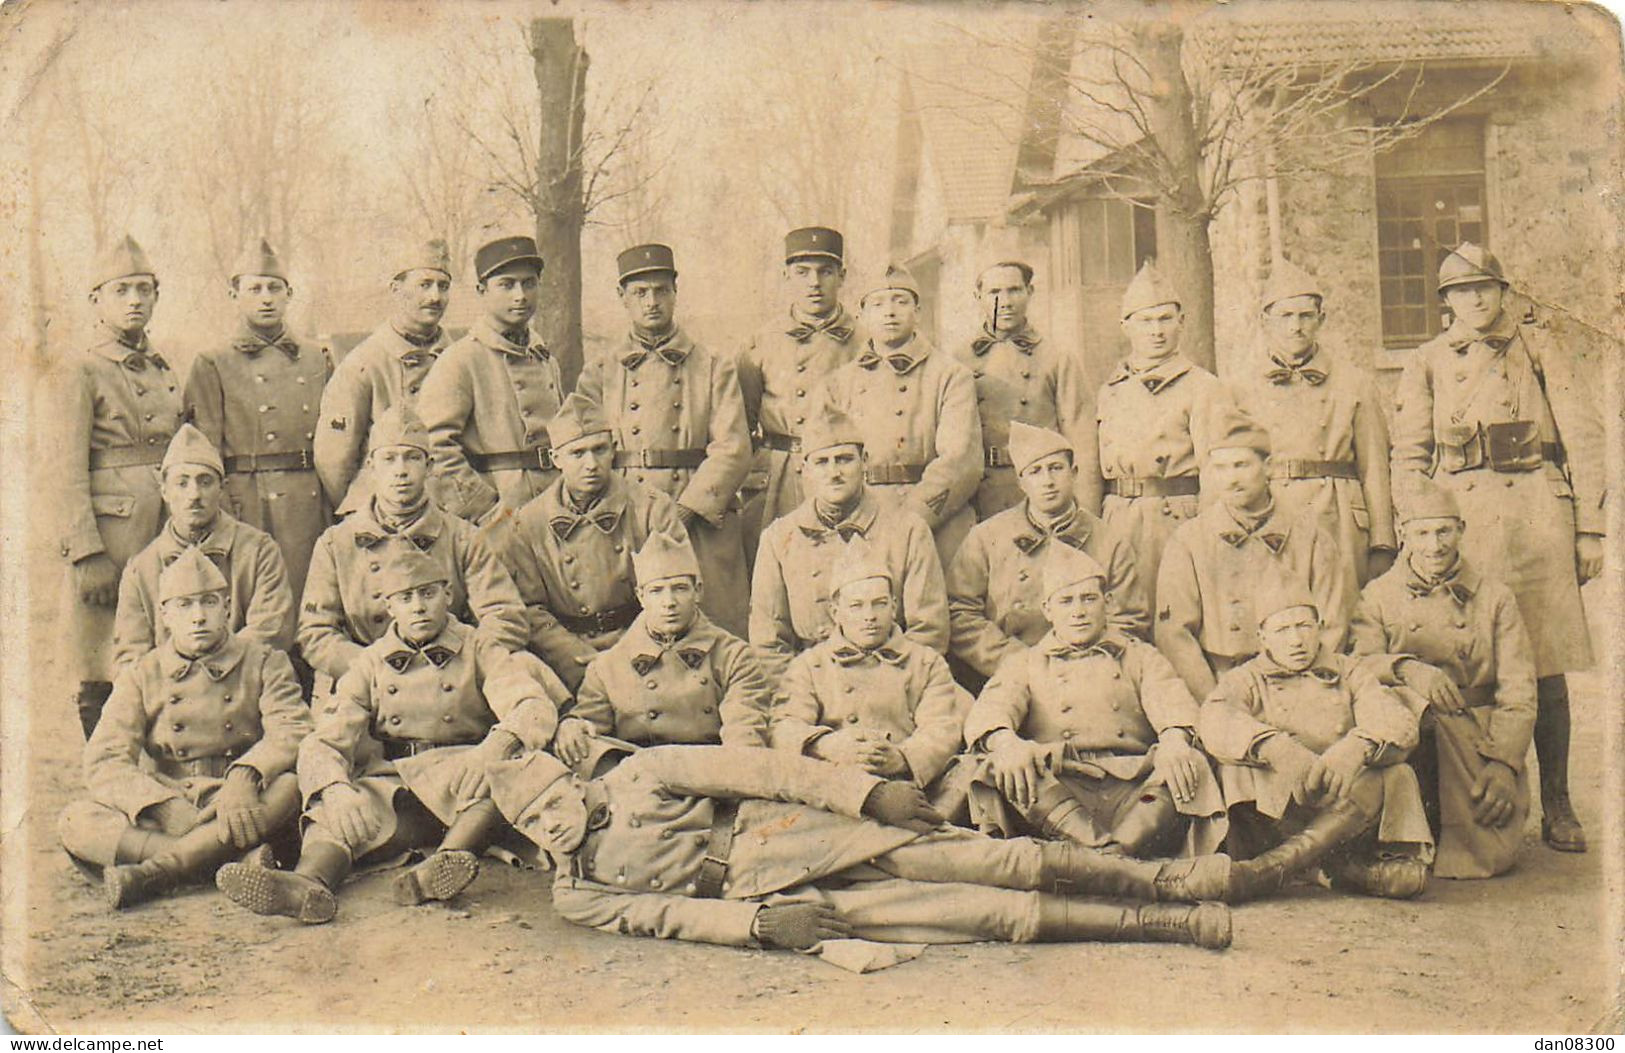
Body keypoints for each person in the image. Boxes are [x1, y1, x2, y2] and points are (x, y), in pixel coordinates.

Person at [489, 746, 1236, 951]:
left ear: (569, 780)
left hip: (809, 833)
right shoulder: (573, 888)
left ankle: (1163, 880)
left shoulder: (641, 773)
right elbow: (658, 917)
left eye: (549, 801)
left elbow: (765, 769)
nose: (547, 823)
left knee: (990, 858)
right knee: (975, 913)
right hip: (789, 899)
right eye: (529, 822)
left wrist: (862, 795)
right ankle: (1157, 926)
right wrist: (749, 926)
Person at [216, 546, 566, 924]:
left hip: (464, 775)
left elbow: (531, 705)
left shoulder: (479, 645)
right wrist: (334, 789)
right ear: (389, 607)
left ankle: (439, 867)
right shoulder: (370, 661)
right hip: (397, 782)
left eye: (428, 594)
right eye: (405, 598)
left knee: (503, 778)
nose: (418, 607)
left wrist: (492, 750)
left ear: (448, 596)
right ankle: (306, 884)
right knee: (331, 814)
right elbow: (324, 738)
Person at [1390, 243, 1604, 853]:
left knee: (1545, 661)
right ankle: (1471, 799)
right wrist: (1415, 525)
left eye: (1486, 288)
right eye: (1462, 291)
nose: (1476, 300)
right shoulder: (1428, 361)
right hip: (1464, 520)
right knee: (1465, 660)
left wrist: (1589, 529)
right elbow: (1408, 456)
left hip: (1536, 516)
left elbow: (1584, 438)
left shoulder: (1539, 349)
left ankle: (1558, 803)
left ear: (1504, 293)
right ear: (1446, 302)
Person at [60, 548, 311, 910]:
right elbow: (105, 759)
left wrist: (245, 777)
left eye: (209, 603)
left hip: (240, 803)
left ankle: (156, 872)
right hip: (172, 798)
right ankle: (231, 862)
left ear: (227, 607)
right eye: (184, 605)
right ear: (164, 614)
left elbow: (292, 728)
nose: (198, 617)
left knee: (288, 787)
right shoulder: (142, 674)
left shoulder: (264, 661)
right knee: (76, 820)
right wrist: (161, 806)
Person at [963, 544, 1223, 858]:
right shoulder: (1026, 663)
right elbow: (991, 710)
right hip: (1059, 789)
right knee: (996, 765)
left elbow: (1173, 702)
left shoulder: (1138, 655)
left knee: (1189, 759)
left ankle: (1112, 855)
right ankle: (1109, 856)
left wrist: (1173, 739)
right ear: (1047, 610)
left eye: (1089, 599)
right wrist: (1005, 743)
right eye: (1066, 601)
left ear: (1108, 602)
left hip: (1132, 788)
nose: (1078, 612)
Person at [1349, 479, 1537, 879]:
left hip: (1475, 738)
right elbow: (1357, 665)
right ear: (1403, 535)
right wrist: (1407, 668)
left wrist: (1504, 763)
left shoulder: (1495, 597)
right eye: (1421, 532)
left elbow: (1519, 691)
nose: (1434, 545)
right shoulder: (1378, 595)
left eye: (1444, 531)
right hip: (1410, 738)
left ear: (1462, 530)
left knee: (1490, 847)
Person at [1199, 582, 1433, 902]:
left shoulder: (1350, 671)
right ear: (1262, 636)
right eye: (1282, 629)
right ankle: (1341, 870)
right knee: (1232, 769)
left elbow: (1397, 720)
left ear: (1320, 628)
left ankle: (1275, 868)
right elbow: (1214, 717)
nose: (1295, 640)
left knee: (1396, 773)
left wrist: (1358, 746)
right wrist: (1274, 747)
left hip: (1343, 807)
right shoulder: (1246, 677)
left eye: (1304, 626)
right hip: (1279, 812)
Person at [576, 244, 753, 636]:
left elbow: (733, 448)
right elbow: (586, 448)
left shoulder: (712, 365)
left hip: (700, 514)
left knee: (714, 624)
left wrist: (686, 510)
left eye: (661, 290)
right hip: (628, 514)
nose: (652, 302)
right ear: (622, 297)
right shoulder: (600, 370)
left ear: (675, 292)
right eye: (640, 293)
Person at [51, 235, 185, 737]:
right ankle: (103, 777)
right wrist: (86, 551)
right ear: (97, 300)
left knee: (150, 656)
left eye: (144, 290)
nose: (134, 300)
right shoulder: (82, 368)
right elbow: (64, 468)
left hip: (162, 531)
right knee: (100, 664)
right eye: (122, 290)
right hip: (111, 538)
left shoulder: (162, 365)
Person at [297, 406, 527, 687]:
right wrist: (372, 667)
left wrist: (457, 661)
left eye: (412, 458)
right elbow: (315, 632)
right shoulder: (336, 544)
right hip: (368, 682)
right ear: (371, 467)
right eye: (389, 459)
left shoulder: (463, 537)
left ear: (429, 467)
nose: (401, 471)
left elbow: (504, 616)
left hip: (452, 683)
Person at [1156, 404, 1347, 700]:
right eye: (1220, 468)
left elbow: (1332, 624)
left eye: (1241, 465)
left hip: (1300, 686)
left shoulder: (1310, 537)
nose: (1231, 479)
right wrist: (1215, 701)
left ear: (1268, 467)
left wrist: (1306, 691)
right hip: (1221, 685)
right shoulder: (1188, 542)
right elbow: (1175, 636)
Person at [1230, 257, 1396, 596]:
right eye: (1285, 316)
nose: (1296, 327)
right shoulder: (1240, 388)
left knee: (1341, 608)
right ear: (1265, 321)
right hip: (1270, 511)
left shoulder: (1354, 383)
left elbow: (1375, 468)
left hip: (1337, 516)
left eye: (1306, 316)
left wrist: (1382, 540)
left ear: (1321, 319)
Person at [749, 401, 947, 682]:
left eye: (844, 459)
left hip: (893, 684)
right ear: (804, 468)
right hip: (810, 688)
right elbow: (768, 644)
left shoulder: (908, 531)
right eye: (822, 462)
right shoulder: (778, 538)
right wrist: (802, 694)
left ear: (864, 461)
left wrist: (883, 687)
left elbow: (929, 631)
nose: (834, 472)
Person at [501, 393, 684, 692]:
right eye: (578, 453)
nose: (591, 464)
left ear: (613, 450)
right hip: (567, 657)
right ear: (555, 459)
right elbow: (530, 608)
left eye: (599, 450)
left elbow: (673, 590)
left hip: (644, 645)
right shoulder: (528, 522)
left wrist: (633, 651)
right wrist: (574, 657)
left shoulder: (651, 508)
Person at [183, 237, 334, 598]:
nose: (266, 297)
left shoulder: (318, 359)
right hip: (248, 501)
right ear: (234, 295)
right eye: (254, 289)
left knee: (312, 601)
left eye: (274, 288)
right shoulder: (212, 362)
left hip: (309, 500)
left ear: (289, 294)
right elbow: (203, 451)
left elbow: (339, 441)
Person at [947, 420, 1148, 690]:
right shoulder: (987, 538)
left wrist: (1081, 662)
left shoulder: (1109, 541)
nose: (1048, 481)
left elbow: (1129, 619)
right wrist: (1012, 659)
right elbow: (960, 611)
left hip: (1088, 678)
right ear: (1021, 482)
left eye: (1056, 469)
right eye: (1036, 472)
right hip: (1007, 676)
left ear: (1074, 473)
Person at [771, 549, 969, 811]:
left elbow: (942, 728)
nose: (870, 616)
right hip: (838, 796)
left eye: (880, 603)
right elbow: (784, 726)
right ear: (835, 611)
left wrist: (903, 758)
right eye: (856, 606)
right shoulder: (810, 665)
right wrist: (826, 745)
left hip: (911, 793)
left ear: (894, 606)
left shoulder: (926, 663)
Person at [552, 529, 772, 764]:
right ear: (641, 597)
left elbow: (744, 739)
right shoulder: (607, 667)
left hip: (715, 775)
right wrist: (572, 725)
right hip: (644, 780)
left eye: (679, 588)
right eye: (656, 591)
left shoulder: (733, 656)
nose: (669, 603)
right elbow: (589, 729)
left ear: (698, 591)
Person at [816, 263, 982, 564]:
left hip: (933, 519)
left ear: (918, 310)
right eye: (878, 304)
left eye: (901, 302)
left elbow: (960, 461)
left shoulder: (950, 375)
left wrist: (911, 518)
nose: (890, 312)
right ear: (862, 313)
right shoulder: (839, 382)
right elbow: (821, 458)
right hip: (858, 517)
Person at [1089, 260, 1227, 612]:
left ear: (1181, 323)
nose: (1157, 331)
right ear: (1126, 326)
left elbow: (1216, 473)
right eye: (1146, 321)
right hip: (1118, 517)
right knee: (1122, 613)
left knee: (1177, 613)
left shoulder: (1203, 387)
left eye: (1166, 319)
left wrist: (1208, 535)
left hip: (1177, 518)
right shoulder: (1109, 389)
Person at [112, 424, 295, 676]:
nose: (194, 494)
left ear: (222, 488)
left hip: (243, 689)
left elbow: (270, 633)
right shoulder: (141, 568)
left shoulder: (259, 551)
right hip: (171, 701)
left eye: (205, 482)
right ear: (164, 491)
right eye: (182, 483)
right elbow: (131, 659)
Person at [419, 235, 563, 528]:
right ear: (482, 291)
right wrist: (488, 512)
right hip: (497, 518)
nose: (520, 295)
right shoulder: (460, 360)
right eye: (507, 285)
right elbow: (434, 449)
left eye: (529, 283)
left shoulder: (545, 357)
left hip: (555, 511)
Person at [736, 226, 860, 548]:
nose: (814, 283)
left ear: (842, 276)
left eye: (825, 272)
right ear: (785, 276)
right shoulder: (760, 343)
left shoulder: (866, 341)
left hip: (843, 477)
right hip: (777, 478)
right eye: (802, 272)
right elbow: (742, 426)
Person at [314, 239, 454, 516]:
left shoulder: (459, 358)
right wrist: (368, 511)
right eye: (424, 284)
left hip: (450, 512)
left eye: (443, 286)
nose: (435, 297)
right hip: (383, 515)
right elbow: (334, 460)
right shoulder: (363, 364)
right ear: (396, 289)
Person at [955, 257, 1096, 520]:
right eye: (994, 292)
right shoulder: (959, 360)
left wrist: (1086, 514)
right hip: (980, 495)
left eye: (1014, 290)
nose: (1005, 302)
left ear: (1030, 293)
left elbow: (1082, 439)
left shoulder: (1056, 357)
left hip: (1041, 492)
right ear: (978, 297)